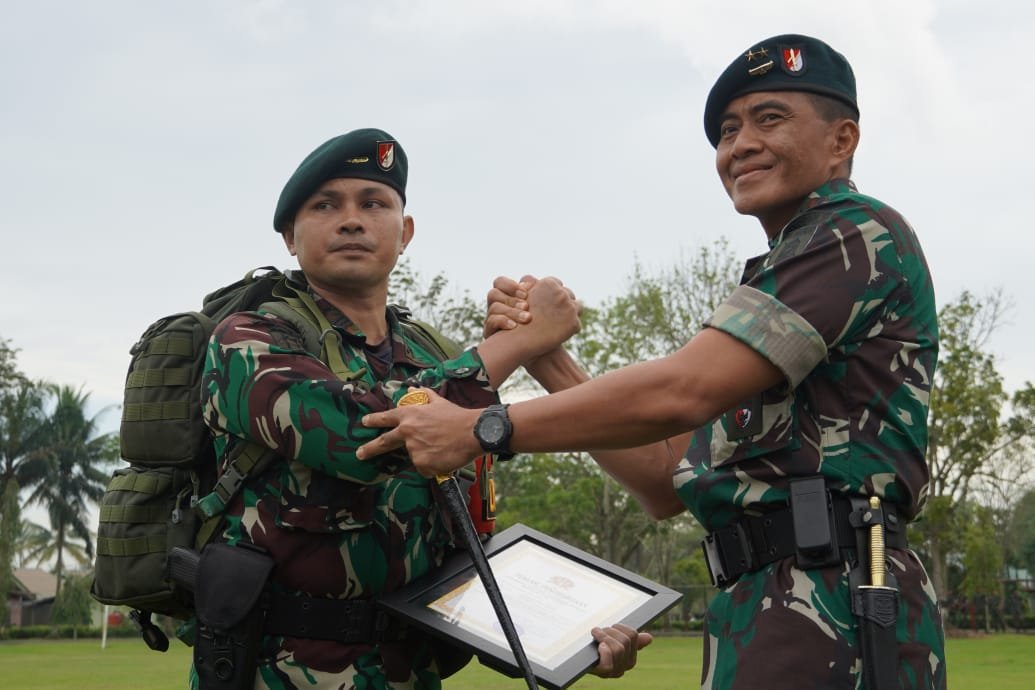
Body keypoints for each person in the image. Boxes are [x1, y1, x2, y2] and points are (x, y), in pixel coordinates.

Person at [358, 35, 947, 690]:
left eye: (768, 118)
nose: (739, 145)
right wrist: (548, 355)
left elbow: (682, 391)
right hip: (766, 605)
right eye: (727, 130)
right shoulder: (783, 278)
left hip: (835, 597)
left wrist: (480, 430)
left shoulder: (850, 233)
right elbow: (664, 478)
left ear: (841, 141)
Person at [194, 128, 649, 690]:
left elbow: (466, 531)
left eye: (374, 203)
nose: (353, 219)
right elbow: (367, 436)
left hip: (412, 671)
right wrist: (516, 344)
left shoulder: (429, 356)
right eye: (326, 205)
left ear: (404, 232)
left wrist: (572, 638)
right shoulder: (247, 340)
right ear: (290, 236)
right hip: (281, 671)